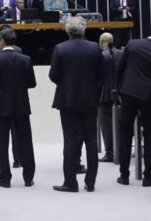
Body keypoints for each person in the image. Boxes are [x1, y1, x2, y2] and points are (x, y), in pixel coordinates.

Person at [49, 17, 103, 192]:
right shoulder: (94, 47)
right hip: (90, 100)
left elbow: (53, 75)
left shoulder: (60, 48)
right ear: (84, 29)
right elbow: (102, 74)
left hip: (68, 100)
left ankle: (70, 182)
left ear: (67, 30)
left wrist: (65, 84)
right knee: (92, 140)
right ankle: (91, 182)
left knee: (70, 140)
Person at [115, 23, 151, 187]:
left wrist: (118, 91)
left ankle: (124, 175)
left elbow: (120, 68)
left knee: (125, 134)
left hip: (128, 94)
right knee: (150, 135)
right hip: (148, 96)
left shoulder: (132, 44)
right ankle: (148, 177)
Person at [0, 27, 36, 188]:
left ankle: (5, 178)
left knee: (1, 142)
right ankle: (28, 177)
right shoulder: (25, 59)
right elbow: (32, 83)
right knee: (25, 140)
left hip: (1, 106)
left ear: (2, 40)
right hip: (21, 104)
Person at [98, 32, 121, 163]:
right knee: (119, 123)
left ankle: (110, 152)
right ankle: (120, 149)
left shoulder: (101, 56)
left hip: (104, 93)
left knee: (106, 124)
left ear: (102, 42)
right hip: (120, 92)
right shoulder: (121, 54)